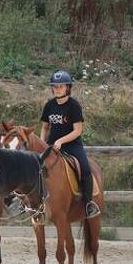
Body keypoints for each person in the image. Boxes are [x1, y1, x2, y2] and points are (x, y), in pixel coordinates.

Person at [40, 70, 100, 218]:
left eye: (61, 86)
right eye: (55, 86)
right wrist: (42, 143)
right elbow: (45, 127)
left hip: (72, 146)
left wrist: (61, 141)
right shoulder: (49, 105)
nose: (57, 89)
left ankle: (88, 204)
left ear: (67, 88)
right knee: (35, 168)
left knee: (85, 169)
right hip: (52, 146)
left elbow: (78, 130)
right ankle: (33, 205)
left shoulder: (74, 105)